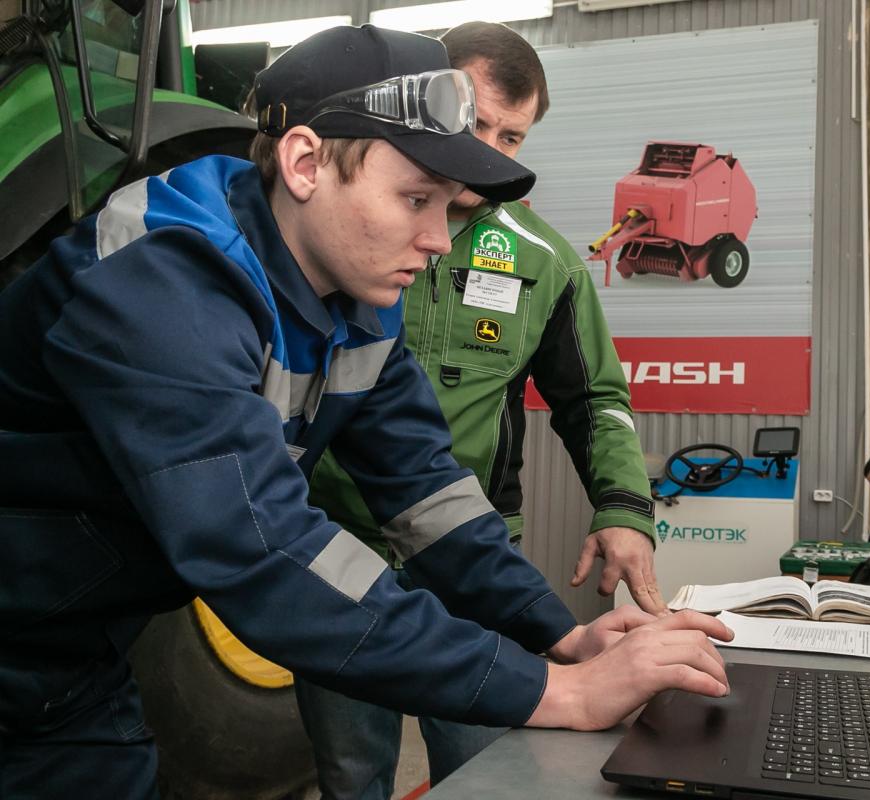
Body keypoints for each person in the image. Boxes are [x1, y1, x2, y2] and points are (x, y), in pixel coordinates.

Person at [0, 26, 732, 800]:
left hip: (68, 660)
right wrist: (559, 694)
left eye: (446, 206)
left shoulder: (355, 303)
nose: (438, 241)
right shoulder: (166, 280)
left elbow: (428, 495)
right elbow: (261, 549)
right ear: (307, 163)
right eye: (416, 199)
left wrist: (558, 632)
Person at [297, 21, 663, 794]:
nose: (492, 151)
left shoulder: (547, 264)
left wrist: (623, 507)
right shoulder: (339, 235)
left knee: (488, 767)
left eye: (513, 136)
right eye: (477, 123)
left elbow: (595, 398)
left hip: (471, 562)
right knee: (351, 767)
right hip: (338, 548)